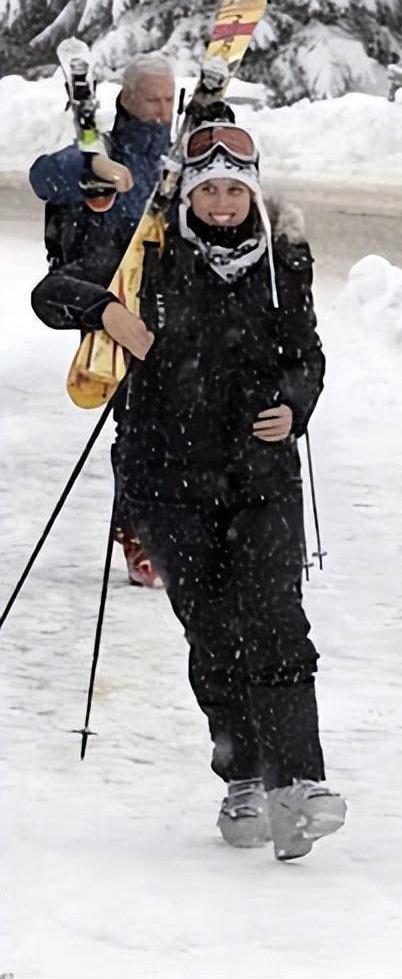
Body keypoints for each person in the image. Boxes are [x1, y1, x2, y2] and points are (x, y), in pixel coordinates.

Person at [31, 118, 347, 861]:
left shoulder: (283, 259)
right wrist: (112, 313)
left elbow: (307, 355)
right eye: (212, 190)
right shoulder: (150, 250)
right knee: (212, 631)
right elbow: (53, 292)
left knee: (276, 620)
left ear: (254, 193)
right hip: (167, 477)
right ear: (192, 196)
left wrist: (296, 406)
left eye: (237, 189)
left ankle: (298, 781)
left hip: (261, 476)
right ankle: (242, 775)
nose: (225, 202)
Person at [29, 52, 176, 587]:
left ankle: (171, 528)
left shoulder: (180, 157)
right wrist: (92, 169)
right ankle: (141, 532)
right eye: (152, 100)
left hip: (162, 300)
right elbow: (44, 176)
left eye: (169, 99)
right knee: (138, 423)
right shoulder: (101, 151)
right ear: (127, 100)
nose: (163, 111)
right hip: (93, 285)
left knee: (168, 422)